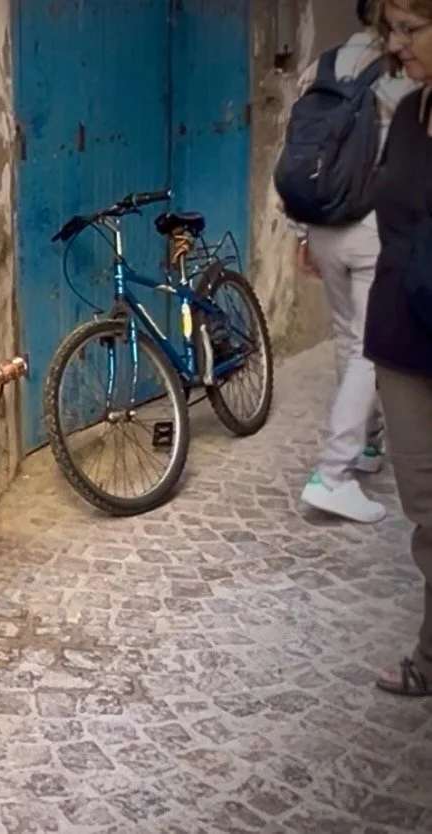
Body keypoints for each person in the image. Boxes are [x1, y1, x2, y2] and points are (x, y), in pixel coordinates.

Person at [293, 0, 418, 523]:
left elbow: (302, 149)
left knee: (348, 339)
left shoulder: (319, 67)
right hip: (371, 226)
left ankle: (366, 444)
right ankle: (334, 472)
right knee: (371, 350)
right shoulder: (400, 76)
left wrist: (301, 231)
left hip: (323, 222)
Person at [368, 0, 432, 697]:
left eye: (410, 28)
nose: (395, 43)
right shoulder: (412, 115)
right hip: (406, 346)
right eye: (393, 28)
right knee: (428, 512)